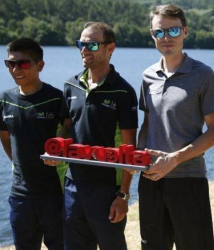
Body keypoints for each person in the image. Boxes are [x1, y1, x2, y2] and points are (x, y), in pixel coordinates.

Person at [137, 4, 214, 250]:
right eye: (160, 32)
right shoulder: (147, 76)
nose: (167, 37)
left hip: (188, 179)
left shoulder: (202, 74)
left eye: (173, 31)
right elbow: (147, 124)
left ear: (185, 32)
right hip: (151, 179)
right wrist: (137, 157)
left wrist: (175, 159)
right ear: (152, 35)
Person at [45, 22, 138, 250]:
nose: (84, 50)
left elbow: (130, 149)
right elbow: (66, 128)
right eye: (81, 44)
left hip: (107, 189)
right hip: (73, 185)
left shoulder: (123, 91)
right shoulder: (70, 85)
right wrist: (54, 150)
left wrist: (123, 196)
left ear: (110, 48)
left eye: (92, 45)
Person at [0, 38, 64, 249]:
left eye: (24, 63)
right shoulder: (5, 100)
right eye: (11, 63)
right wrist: (20, 164)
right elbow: (6, 138)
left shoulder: (55, 98)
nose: (16, 69)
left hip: (53, 193)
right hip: (20, 195)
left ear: (40, 65)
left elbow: (69, 131)